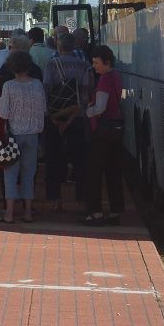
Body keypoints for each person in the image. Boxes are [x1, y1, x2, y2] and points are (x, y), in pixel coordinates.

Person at [0, 51, 46, 224]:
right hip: (33, 133)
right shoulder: (38, 84)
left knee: (10, 173)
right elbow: (43, 109)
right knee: (29, 173)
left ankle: (9, 213)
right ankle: (28, 212)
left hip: (14, 134)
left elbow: (3, 113)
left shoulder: (9, 86)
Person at [43, 33, 90, 211]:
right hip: (77, 119)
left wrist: (53, 117)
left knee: (53, 159)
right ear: (74, 47)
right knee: (79, 160)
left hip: (55, 118)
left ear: (58, 46)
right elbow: (85, 95)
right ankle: (81, 199)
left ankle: (54, 199)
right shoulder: (85, 66)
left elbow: (46, 89)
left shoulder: (51, 64)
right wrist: (72, 118)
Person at [82, 45, 124, 226]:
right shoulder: (116, 76)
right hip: (116, 127)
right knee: (114, 171)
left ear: (106, 62)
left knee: (94, 171)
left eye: (96, 62)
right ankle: (115, 211)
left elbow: (100, 107)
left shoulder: (105, 80)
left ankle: (95, 212)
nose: (94, 66)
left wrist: (87, 111)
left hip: (102, 130)